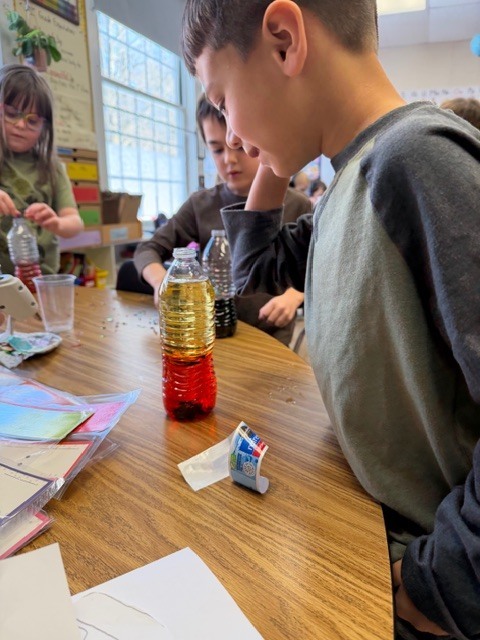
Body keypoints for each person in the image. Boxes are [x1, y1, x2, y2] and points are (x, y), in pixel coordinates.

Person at [181, 1, 480, 638]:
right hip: (364, 525)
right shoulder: (352, 181)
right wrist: (274, 153)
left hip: (425, 588)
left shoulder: (414, 162)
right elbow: (256, 274)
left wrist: (432, 587)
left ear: (285, 40)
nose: (230, 135)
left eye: (223, 96)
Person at [134, 94, 311, 345]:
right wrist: (162, 282)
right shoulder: (200, 205)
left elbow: (315, 269)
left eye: (239, 146)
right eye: (217, 149)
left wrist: (293, 297)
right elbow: (148, 249)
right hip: (214, 334)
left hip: (270, 334)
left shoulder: (297, 204)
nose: (228, 159)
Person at [0, 64, 83, 275]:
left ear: (44, 127)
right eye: (11, 114)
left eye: (32, 120)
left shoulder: (52, 168)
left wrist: (56, 223)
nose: (20, 125)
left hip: (42, 281)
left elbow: (75, 223)